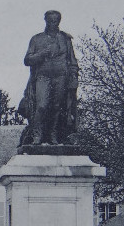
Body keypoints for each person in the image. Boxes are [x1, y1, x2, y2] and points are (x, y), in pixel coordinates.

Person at [17, 10, 79, 146]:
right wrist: (41, 54)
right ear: (45, 21)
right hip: (43, 76)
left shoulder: (65, 39)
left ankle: (53, 135)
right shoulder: (37, 39)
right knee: (42, 106)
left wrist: (74, 76)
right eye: (50, 20)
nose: (53, 23)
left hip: (61, 76)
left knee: (57, 107)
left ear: (59, 21)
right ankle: (37, 135)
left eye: (55, 21)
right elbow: (27, 60)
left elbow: (72, 60)